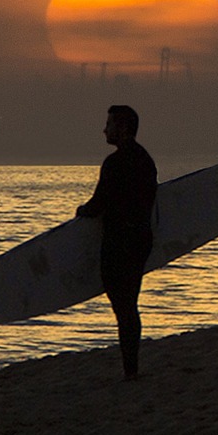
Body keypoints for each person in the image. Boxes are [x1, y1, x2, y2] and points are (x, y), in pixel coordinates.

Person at [77, 104, 158, 378]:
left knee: (122, 306)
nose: (105, 129)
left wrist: (81, 212)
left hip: (119, 242)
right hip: (141, 240)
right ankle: (131, 368)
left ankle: (130, 371)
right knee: (129, 305)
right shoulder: (145, 159)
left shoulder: (115, 162)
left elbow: (98, 204)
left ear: (122, 128)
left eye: (109, 124)